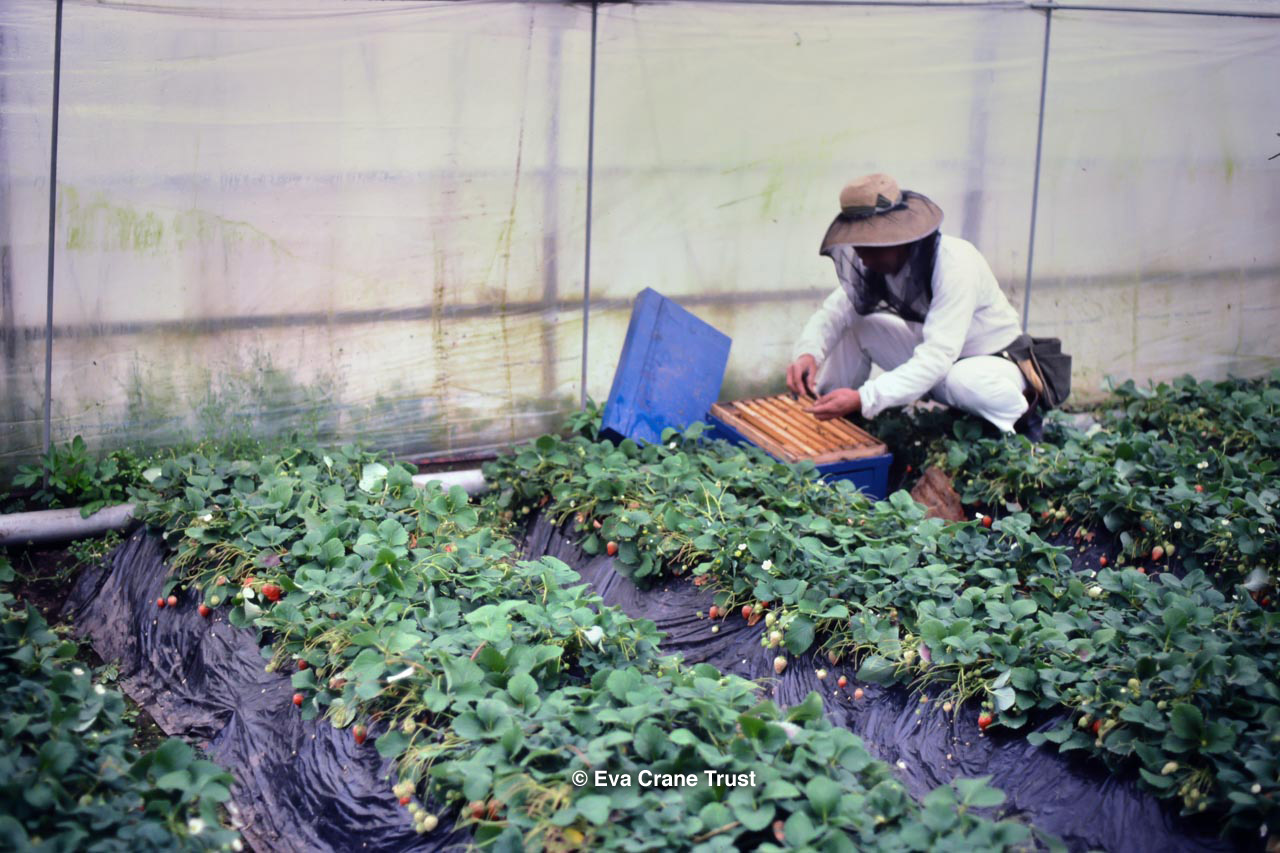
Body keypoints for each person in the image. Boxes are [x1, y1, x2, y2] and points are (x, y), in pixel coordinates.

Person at [785, 173, 1040, 438]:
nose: (863, 257)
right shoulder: (879, 262)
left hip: (993, 363)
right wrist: (808, 354)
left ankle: (1022, 421)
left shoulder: (956, 265)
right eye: (858, 245)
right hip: (942, 364)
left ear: (898, 236)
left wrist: (865, 398)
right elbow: (835, 312)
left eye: (870, 246)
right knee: (860, 326)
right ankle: (827, 412)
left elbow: (937, 356)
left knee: (960, 380)